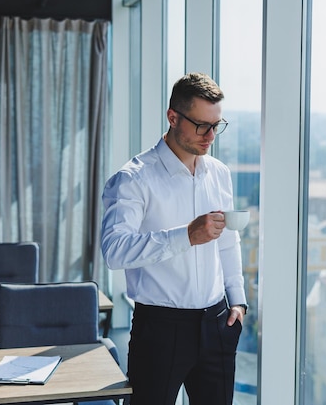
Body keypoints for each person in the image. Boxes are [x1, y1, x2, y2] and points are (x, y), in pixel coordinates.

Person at [101, 72, 248, 405]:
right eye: (201, 126)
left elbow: (227, 241)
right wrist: (185, 236)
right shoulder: (132, 179)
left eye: (217, 125)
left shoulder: (219, 173)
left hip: (217, 323)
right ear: (173, 117)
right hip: (160, 329)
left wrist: (237, 300)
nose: (211, 136)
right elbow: (114, 251)